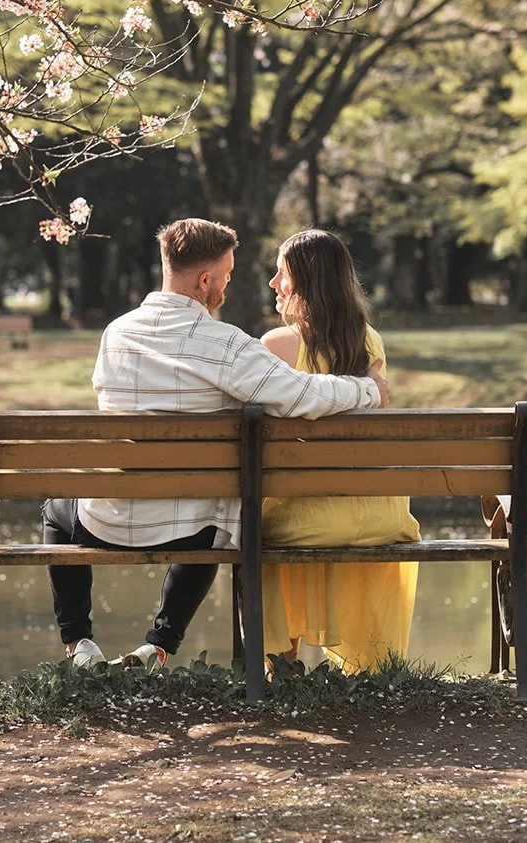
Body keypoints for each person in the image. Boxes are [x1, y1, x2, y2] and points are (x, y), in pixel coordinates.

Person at [46, 218, 392, 671]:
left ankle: (81, 645)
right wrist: (369, 390)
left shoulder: (116, 334)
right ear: (204, 280)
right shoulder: (227, 344)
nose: (229, 284)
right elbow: (302, 394)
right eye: (227, 275)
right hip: (194, 528)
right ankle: (160, 643)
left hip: (106, 521)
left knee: (56, 508)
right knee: (216, 513)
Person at [258, 229, 421, 673]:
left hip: (301, 520)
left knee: (266, 518)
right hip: (377, 516)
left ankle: (285, 663)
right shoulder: (370, 341)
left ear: (307, 283)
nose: (273, 283)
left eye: (282, 273)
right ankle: (350, 665)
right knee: (317, 507)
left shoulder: (276, 347)